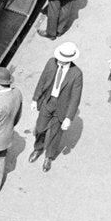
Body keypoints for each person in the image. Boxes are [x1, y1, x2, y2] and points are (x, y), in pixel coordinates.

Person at [29, 41, 82, 169]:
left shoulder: (76, 74)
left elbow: (75, 98)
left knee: (55, 133)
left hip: (61, 107)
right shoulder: (51, 63)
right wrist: (35, 99)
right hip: (48, 102)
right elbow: (42, 81)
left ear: (70, 60)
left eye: (63, 60)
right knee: (40, 127)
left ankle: (49, 157)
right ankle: (38, 148)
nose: (60, 61)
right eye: (59, 58)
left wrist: (68, 118)